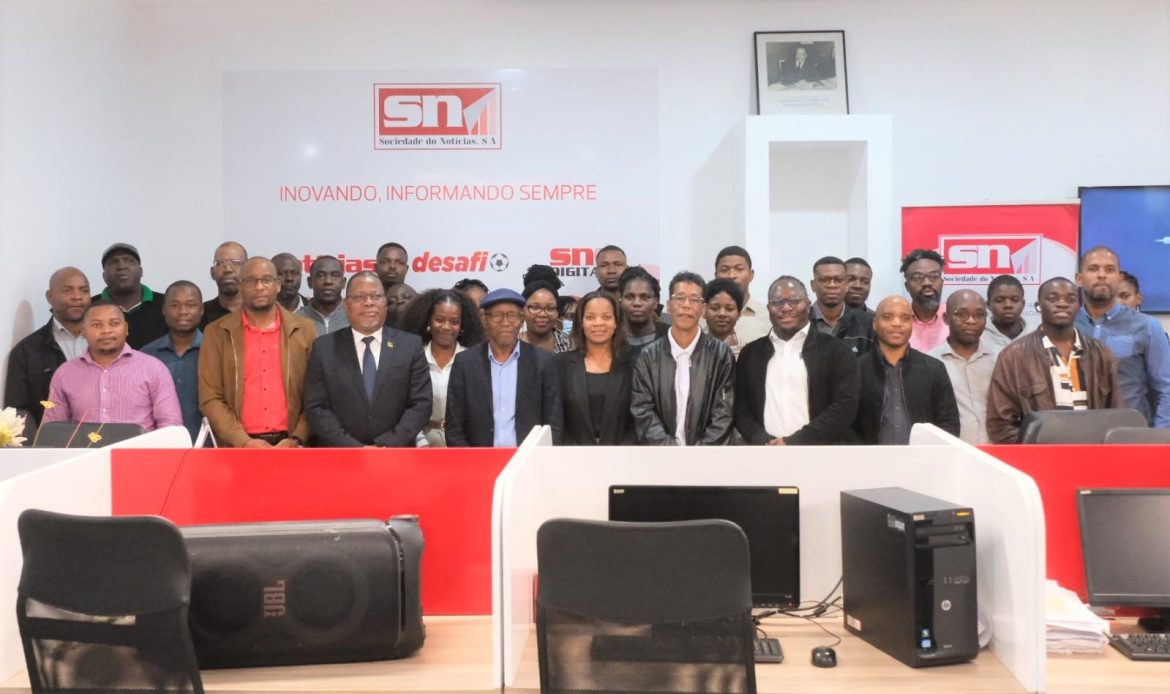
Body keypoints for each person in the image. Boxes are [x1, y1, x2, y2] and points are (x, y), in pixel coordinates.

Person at [199, 257, 316, 448]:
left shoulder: (305, 330)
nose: (259, 286)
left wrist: (297, 438)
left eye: (267, 280)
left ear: (278, 285)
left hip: (292, 445)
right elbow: (210, 398)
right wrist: (243, 441)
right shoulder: (216, 332)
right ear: (240, 286)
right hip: (238, 447)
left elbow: (317, 394)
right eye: (251, 281)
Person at [303, 272, 431, 447]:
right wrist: (354, 448)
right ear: (346, 305)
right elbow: (316, 407)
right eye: (359, 297)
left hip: (396, 452)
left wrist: (387, 444)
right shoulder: (324, 348)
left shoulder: (410, 346)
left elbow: (421, 404)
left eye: (376, 296)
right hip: (340, 453)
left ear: (385, 303)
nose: (369, 302)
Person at [988, 277, 1122, 443]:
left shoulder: (1101, 354)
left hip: (1093, 454)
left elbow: (1117, 416)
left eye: (1070, 299)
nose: (1062, 304)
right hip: (1038, 456)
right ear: (1038, 306)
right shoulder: (1013, 356)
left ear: (1079, 306)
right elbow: (1000, 425)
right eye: (1053, 299)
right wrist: (1037, 450)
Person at [734, 276, 859, 445]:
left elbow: (845, 405)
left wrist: (795, 441)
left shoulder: (836, 351)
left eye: (794, 301)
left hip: (820, 451)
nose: (786, 308)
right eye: (777, 302)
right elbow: (741, 409)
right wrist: (763, 440)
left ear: (808, 305)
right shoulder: (750, 354)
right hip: (765, 452)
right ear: (768, 308)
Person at [445, 288, 562, 447]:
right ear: (484, 320)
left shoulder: (543, 361)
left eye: (512, 315)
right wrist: (470, 459)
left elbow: (553, 422)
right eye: (497, 315)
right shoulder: (465, 363)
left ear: (521, 320)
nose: (505, 323)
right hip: (478, 457)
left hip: (529, 457)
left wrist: (539, 457)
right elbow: (454, 426)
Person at [43, 301, 182, 432]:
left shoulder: (153, 369)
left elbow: (171, 426)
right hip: (85, 450)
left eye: (114, 323)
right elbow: (53, 430)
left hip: (139, 450)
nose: (106, 330)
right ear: (83, 331)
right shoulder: (65, 374)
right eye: (96, 325)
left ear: (126, 328)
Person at [631, 272, 735, 445]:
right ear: (669, 305)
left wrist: (698, 454)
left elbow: (724, 413)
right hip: (661, 456)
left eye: (694, 299)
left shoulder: (721, 354)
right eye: (679, 298)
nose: (686, 305)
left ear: (703, 309)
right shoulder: (648, 356)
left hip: (707, 456)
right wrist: (671, 452)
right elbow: (642, 410)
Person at [1074, 246, 1170, 428]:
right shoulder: (1066, 327)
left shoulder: (1147, 326)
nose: (1101, 275)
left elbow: (1166, 388)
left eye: (1109, 270)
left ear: (1119, 279)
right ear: (1079, 279)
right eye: (1093, 269)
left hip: (1130, 433)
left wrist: (1159, 436)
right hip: (1075, 432)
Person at [853, 295, 959, 444]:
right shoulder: (855, 370)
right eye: (888, 317)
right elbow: (845, 425)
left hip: (923, 457)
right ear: (875, 323)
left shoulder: (934, 369)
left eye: (905, 318)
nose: (897, 323)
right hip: (869, 457)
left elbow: (949, 423)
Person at [4, 267, 91, 425]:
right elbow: (17, 414)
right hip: (51, 438)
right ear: (50, 297)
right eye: (67, 290)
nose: (77, 297)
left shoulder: (107, 342)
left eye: (84, 290)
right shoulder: (25, 352)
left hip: (106, 436)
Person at [399, 288, 486, 447]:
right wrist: (421, 443)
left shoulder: (474, 360)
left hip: (464, 444)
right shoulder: (413, 358)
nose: (446, 327)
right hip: (420, 442)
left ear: (461, 325)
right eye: (439, 319)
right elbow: (404, 407)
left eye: (454, 322)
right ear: (428, 321)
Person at [554, 290, 636, 444]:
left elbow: (637, 420)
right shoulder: (560, 365)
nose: (598, 323)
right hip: (572, 455)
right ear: (581, 322)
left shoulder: (633, 365)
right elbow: (556, 420)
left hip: (622, 454)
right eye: (590, 317)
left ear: (616, 322)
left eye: (606, 317)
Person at [927, 290, 999, 445]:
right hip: (950, 452)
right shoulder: (930, 363)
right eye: (961, 314)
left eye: (979, 315)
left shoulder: (999, 360)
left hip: (996, 454)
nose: (971, 321)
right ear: (946, 318)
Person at [141, 281, 205, 443]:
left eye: (190, 305)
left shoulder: (217, 352)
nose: (183, 311)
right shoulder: (146, 356)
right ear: (163, 310)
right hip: (159, 447)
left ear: (202, 309)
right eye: (174, 305)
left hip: (210, 447)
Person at [92, 243, 167, 349]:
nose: (121, 266)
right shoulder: (90, 307)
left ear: (141, 271)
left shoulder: (167, 304)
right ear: (104, 276)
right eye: (113, 262)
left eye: (129, 260)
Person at [809, 256, 875, 355]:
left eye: (838, 280)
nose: (832, 285)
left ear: (846, 284)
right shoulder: (800, 320)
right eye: (825, 279)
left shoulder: (869, 322)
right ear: (813, 285)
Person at [713, 246, 770, 343]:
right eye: (724, 270)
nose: (731, 275)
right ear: (716, 276)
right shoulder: (702, 318)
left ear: (751, 275)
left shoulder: (768, 317)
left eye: (739, 269)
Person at [901, 249, 949, 353]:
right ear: (907, 286)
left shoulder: (956, 318)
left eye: (934, 276)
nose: (927, 283)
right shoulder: (898, 321)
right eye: (917, 277)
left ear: (942, 283)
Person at [619, 266, 669, 350]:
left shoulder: (672, 337)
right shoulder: (609, 337)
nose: (637, 303)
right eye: (629, 297)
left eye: (645, 298)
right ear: (620, 301)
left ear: (656, 302)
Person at [297, 255, 349, 335]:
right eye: (320, 275)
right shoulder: (295, 319)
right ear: (310, 282)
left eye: (335, 275)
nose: (328, 281)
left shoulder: (356, 317)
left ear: (343, 282)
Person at [201, 241, 247, 327]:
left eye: (235, 262)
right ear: (212, 272)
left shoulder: (260, 310)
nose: (228, 269)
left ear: (247, 269)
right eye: (220, 263)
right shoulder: (200, 315)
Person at [520, 281, 573, 353]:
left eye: (550, 308)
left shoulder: (570, 345)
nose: (542, 314)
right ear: (522, 310)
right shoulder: (512, 344)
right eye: (535, 307)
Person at [982, 274, 1029, 352]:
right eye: (999, 300)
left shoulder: (1037, 336)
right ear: (988, 305)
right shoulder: (978, 336)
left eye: (1015, 300)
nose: (1008, 305)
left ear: (1023, 304)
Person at [703, 278, 744, 357]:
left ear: (739, 314)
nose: (722, 314)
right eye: (715, 308)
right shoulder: (692, 349)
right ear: (703, 310)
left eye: (729, 309)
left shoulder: (747, 353)